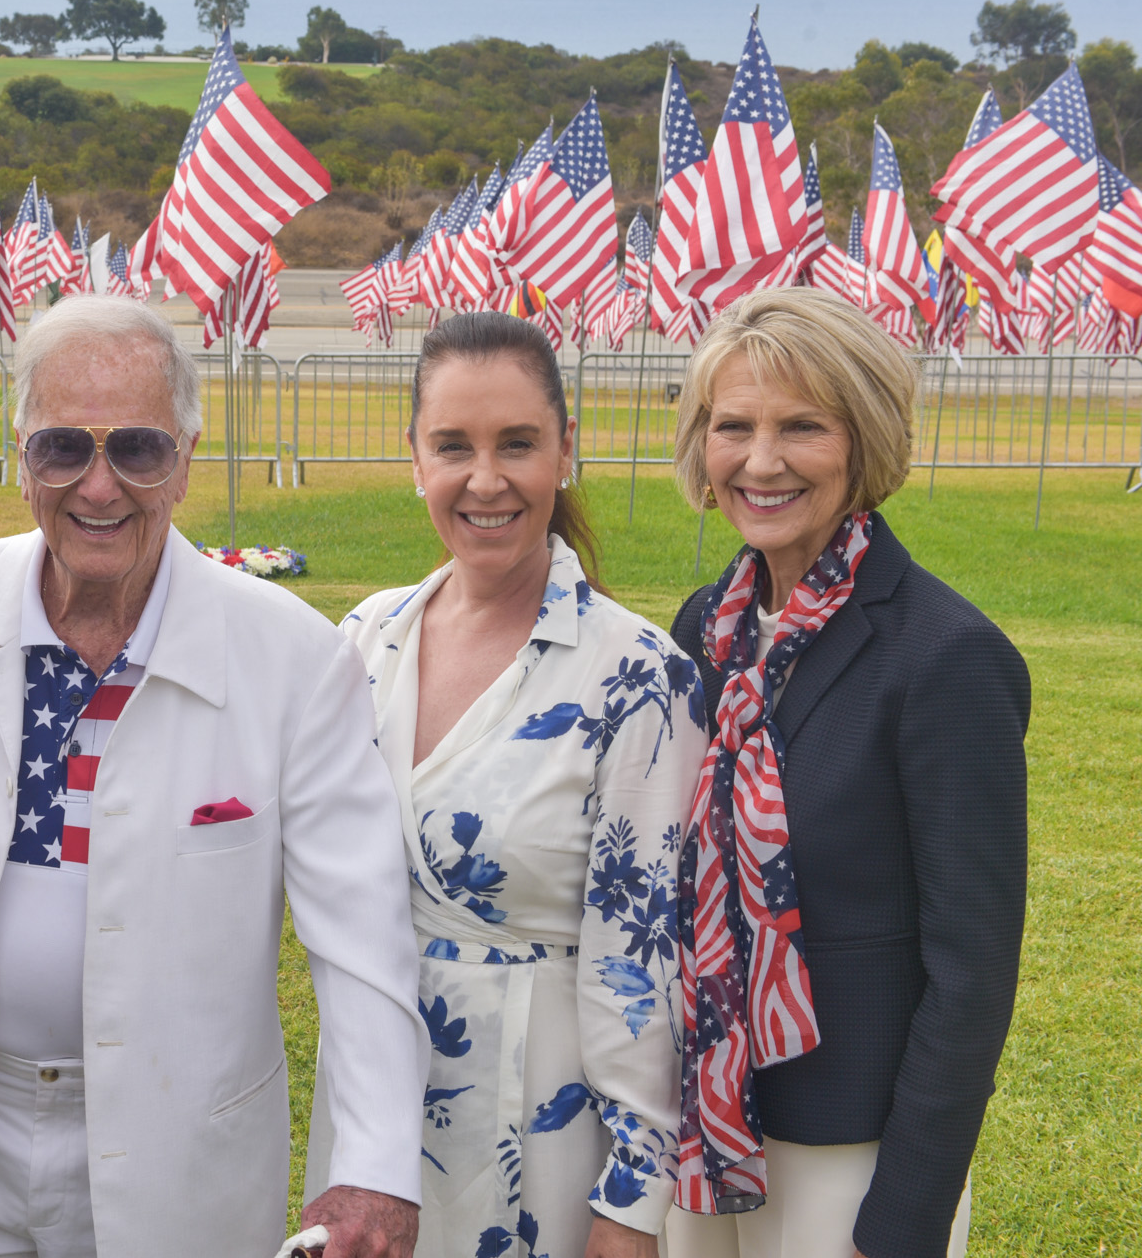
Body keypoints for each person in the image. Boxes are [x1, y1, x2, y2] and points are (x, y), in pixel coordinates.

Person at [0, 295, 427, 1258]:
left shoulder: (292, 655)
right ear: (20, 453)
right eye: (63, 447)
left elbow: (362, 936)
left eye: (139, 450)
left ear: (188, 456)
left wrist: (373, 1159)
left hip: (176, 1149)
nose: (100, 486)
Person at [322, 313, 702, 1258]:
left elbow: (642, 965)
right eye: (453, 445)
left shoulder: (639, 676)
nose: (484, 479)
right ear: (414, 457)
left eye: (518, 444)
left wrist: (630, 1206)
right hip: (370, 1116)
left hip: (544, 1133)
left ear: (566, 452)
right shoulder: (365, 639)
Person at [661, 288, 1029, 1258]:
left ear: (862, 441)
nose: (760, 459)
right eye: (731, 426)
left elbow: (971, 974)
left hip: (849, 1148)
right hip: (705, 1114)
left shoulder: (946, 656)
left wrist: (903, 1214)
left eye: (801, 427)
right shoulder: (706, 626)